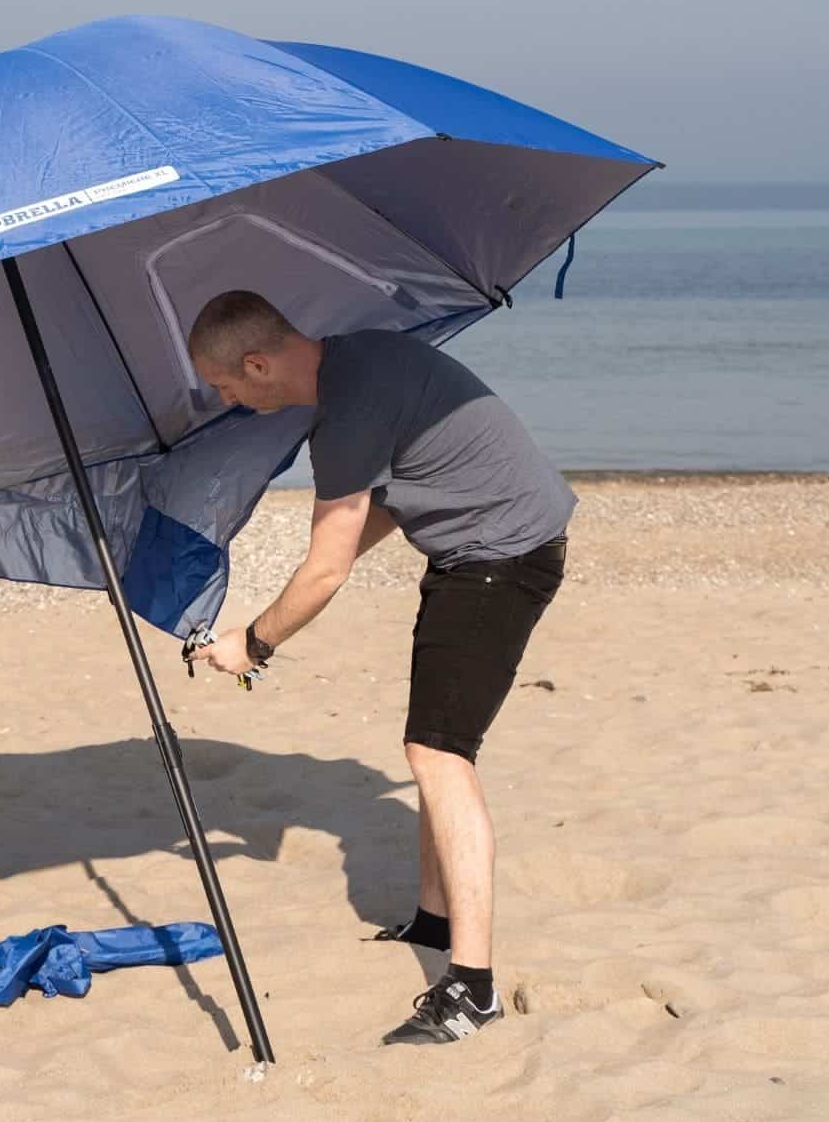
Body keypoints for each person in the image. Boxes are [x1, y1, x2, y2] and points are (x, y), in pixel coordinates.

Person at [184, 290, 572, 1046]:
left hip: (500, 559)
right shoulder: (359, 356)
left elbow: (327, 571)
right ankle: (433, 919)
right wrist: (277, 607)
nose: (227, 401)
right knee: (433, 741)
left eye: (226, 386)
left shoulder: (345, 412)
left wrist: (252, 646)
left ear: (258, 364)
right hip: (484, 547)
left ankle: (473, 990)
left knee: (439, 754)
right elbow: (389, 506)